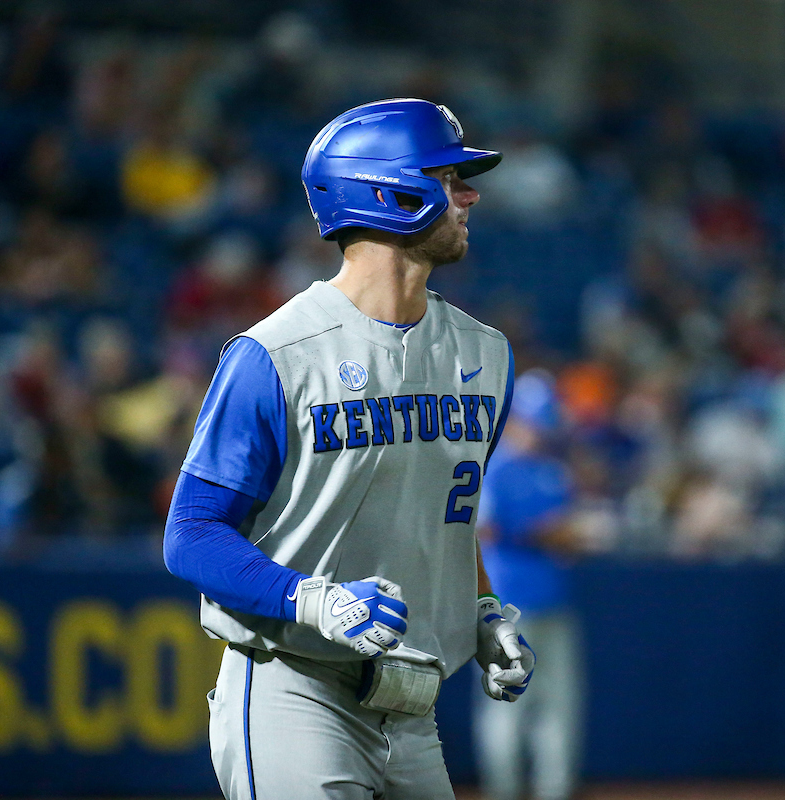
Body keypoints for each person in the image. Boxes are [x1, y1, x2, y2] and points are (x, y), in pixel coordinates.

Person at [163, 98, 535, 800]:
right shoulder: (276, 354)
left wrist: (482, 611)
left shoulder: (486, 355)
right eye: (451, 177)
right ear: (389, 188)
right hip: (291, 687)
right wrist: (308, 598)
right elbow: (190, 535)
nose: (470, 194)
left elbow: (443, 518)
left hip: (410, 706)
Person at [474, 370, 583, 800]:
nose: (540, 430)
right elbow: (488, 530)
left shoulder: (552, 470)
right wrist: (549, 533)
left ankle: (553, 791)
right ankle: (502, 792)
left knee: (558, 708)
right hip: (508, 607)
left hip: (554, 599)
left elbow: (568, 536)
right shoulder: (495, 467)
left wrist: (564, 535)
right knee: (505, 705)